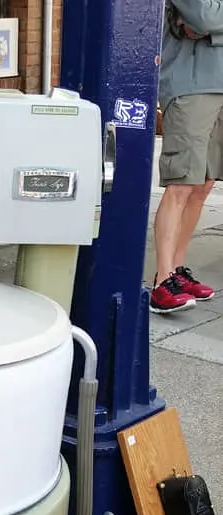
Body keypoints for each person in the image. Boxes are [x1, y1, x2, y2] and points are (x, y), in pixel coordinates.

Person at [152, 0, 223, 314]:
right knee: (181, 184)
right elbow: (205, 18)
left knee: (203, 184)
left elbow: (205, 25)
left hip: (219, 85)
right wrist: (209, 27)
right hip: (190, 86)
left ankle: (177, 271)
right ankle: (162, 281)